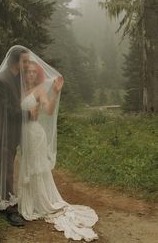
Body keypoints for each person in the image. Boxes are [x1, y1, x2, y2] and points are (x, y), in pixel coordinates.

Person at [18, 60, 98, 241]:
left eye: (33, 72)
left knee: (37, 167)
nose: (30, 74)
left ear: (36, 74)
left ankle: (41, 202)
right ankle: (28, 202)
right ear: (24, 74)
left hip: (35, 133)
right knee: (26, 164)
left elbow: (48, 110)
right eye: (27, 72)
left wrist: (54, 92)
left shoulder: (39, 90)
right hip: (23, 135)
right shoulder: (20, 91)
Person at [0, 46, 39, 227]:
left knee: (8, 169)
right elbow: (5, 110)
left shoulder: (15, 78)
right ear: (16, 61)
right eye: (25, 61)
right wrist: (29, 114)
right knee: (6, 172)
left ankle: (4, 202)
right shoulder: (0, 81)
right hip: (1, 134)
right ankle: (8, 210)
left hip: (12, 134)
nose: (27, 64)